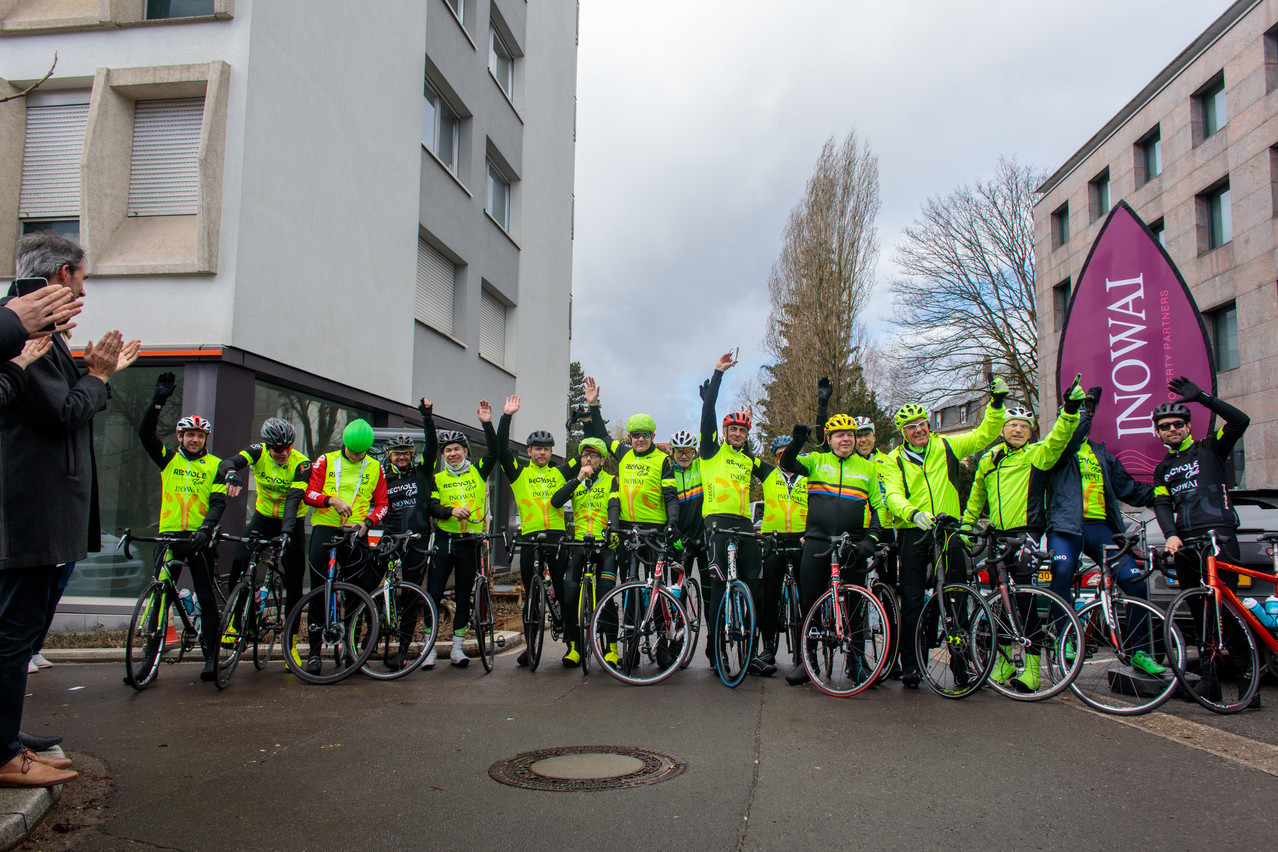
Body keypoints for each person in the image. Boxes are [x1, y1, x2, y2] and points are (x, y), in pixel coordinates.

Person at [0, 231, 137, 788]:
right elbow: (62, 412)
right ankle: (4, 753)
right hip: (29, 514)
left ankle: (9, 736)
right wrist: (100, 375)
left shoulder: (38, 333)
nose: (83, 293)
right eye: (81, 280)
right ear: (60, 276)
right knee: (14, 632)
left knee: (22, 630)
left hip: (38, 515)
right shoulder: (25, 333)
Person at [880, 377, 1009, 688]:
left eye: (922, 423)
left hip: (948, 530)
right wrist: (912, 513)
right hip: (914, 531)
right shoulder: (893, 460)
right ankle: (911, 665)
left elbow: (982, 436)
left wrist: (996, 405)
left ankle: (961, 665)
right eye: (911, 426)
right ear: (903, 432)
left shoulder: (946, 444)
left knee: (955, 596)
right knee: (911, 601)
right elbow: (893, 495)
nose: (919, 429)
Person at [961, 385, 1082, 692]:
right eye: (1012, 425)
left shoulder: (1038, 455)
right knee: (1000, 601)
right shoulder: (989, 459)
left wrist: (1069, 412)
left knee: (1025, 599)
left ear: (1030, 432)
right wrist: (966, 527)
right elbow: (976, 496)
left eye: (1024, 426)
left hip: (1027, 533)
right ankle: (1002, 661)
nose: (1018, 429)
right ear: (1002, 430)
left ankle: (1030, 667)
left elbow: (1058, 440)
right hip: (997, 535)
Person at [1151, 375, 1256, 707]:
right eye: (1165, 425)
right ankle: (1209, 684)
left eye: (1178, 423)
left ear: (1188, 425)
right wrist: (1170, 535)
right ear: (1157, 432)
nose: (1172, 429)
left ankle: (1246, 685)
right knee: (1201, 617)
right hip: (1187, 546)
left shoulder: (1210, 447)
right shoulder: (1162, 469)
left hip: (1218, 538)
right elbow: (1163, 504)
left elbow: (1241, 421)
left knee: (1225, 613)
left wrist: (1204, 398)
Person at [1044, 385, 1160, 676]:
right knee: (1061, 574)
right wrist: (1083, 412)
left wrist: (1165, 493)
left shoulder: (1103, 455)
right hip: (1065, 529)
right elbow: (1068, 438)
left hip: (1099, 528)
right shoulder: (1055, 451)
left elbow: (1128, 489)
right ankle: (1067, 638)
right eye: (1072, 417)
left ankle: (1138, 651)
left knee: (1136, 583)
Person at [779, 407, 884, 685]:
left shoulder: (868, 468)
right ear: (830, 438)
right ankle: (806, 662)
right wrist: (796, 442)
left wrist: (870, 541)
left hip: (853, 545)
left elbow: (879, 509)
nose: (846, 439)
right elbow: (788, 464)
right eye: (839, 435)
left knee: (855, 608)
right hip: (817, 541)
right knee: (809, 603)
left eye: (849, 435)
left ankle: (856, 663)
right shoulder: (816, 460)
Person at [138, 378, 228, 683]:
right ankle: (149, 661)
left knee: (204, 596)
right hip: (170, 537)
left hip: (199, 538)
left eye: (200, 436)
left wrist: (207, 528)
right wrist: (157, 402)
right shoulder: (169, 460)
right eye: (190, 435)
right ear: (180, 436)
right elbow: (145, 434)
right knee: (159, 599)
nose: (194, 440)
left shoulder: (215, 465)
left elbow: (218, 503)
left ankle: (211, 658)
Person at [700, 352, 776, 677]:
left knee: (754, 588)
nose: (737, 434)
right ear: (725, 431)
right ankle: (717, 652)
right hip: (716, 523)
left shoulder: (749, 460)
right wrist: (718, 374)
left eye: (742, 432)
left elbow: (778, 475)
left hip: (744, 525)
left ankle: (751, 650)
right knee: (719, 587)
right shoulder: (711, 452)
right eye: (733, 430)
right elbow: (708, 414)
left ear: (747, 436)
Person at [424, 398, 512, 667]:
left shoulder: (477, 472)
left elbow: (496, 451)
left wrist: (488, 423)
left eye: (457, 449)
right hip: (444, 540)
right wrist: (450, 511)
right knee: (434, 595)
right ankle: (428, 651)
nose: (452, 454)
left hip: (470, 543)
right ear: (443, 455)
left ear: (465, 451)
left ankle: (457, 649)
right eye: (448, 450)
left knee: (464, 595)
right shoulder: (437, 478)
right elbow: (431, 506)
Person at [216, 413, 311, 662]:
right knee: (239, 562)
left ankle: (289, 644)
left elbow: (293, 500)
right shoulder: (258, 452)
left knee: (294, 580)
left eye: (288, 447)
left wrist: (287, 533)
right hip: (263, 518)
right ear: (268, 446)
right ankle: (238, 622)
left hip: (292, 520)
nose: (284, 453)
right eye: (278, 448)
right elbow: (228, 462)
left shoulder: (302, 464)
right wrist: (231, 474)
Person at [302, 419, 388, 675]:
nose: (356, 456)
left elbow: (383, 504)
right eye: (352, 451)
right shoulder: (325, 461)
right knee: (319, 589)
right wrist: (331, 500)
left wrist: (368, 522)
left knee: (356, 593)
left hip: (356, 532)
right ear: (344, 445)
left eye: (361, 453)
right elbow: (309, 494)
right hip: (325, 529)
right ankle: (314, 653)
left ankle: (352, 651)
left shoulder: (375, 467)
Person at [501, 397, 579, 666]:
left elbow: (587, 454)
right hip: (530, 540)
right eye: (537, 449)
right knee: (530, 597)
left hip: (557, 539)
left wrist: (583, 420)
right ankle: (529, 646)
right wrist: (505, 417)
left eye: (546, 449)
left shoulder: (560, 473)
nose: (542, 453)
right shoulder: (519, 474)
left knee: (565, 592)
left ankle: (573, 645)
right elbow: (500, 450)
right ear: (529, 451)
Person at [580, 376, 679, 580]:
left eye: (645, 434)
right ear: (629, 437)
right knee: (627, 579)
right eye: (635, 435)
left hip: (654, 528)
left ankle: (654, 612)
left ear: (652, 435)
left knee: (653, 582)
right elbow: (602, 436)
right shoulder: (623, 452)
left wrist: (672, 523)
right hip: (626, 527)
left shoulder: (664, 460)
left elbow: (670, 496)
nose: (640, 439)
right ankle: (629, 612)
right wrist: (593, 404)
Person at [550, 438, 620, 665]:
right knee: (570, 597)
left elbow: (614, 507)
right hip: (579, 545)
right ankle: (574, 647)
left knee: (605, 597)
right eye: (584, 456)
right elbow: (556, 502)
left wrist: (612, 530)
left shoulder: (611, 481)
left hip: (604, 546)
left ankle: (610, 648)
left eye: (593, 456)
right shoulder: (576, 482)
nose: (587, 459)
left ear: (601, 461)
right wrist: (578, 479)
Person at [379, 398, 437, 670]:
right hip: (390, 537)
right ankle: (368, 637)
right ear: (389, 456)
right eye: (397, 453)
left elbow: (434, 446)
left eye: (406, 453)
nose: (402, 457)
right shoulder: (383, 478)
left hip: (417, 539)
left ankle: (402, 652)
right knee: (374, 586)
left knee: (412, 596)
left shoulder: (423, 472)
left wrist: (426, 418)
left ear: (412, 454)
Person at [759, 435, 807, 667]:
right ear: (775, 456)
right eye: (779, 454)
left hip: (802, 540)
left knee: (807, 594)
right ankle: (768, 646)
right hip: (773, 539)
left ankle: (805, 647)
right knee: (770, 595)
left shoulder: (809, 474)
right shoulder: (768, 472)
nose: (784, 457)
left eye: (788, 453)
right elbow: (745, 455)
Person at [669, 429, 710, 662]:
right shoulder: (668, 471)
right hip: (679, 540)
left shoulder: (701, 467)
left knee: (710, 592)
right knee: (676, 594)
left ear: (694, 452)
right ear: (672, 452)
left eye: (688, 451)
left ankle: (714, 645)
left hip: (702, 539)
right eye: (679, 451)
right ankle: (675, 644)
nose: (683, 455)